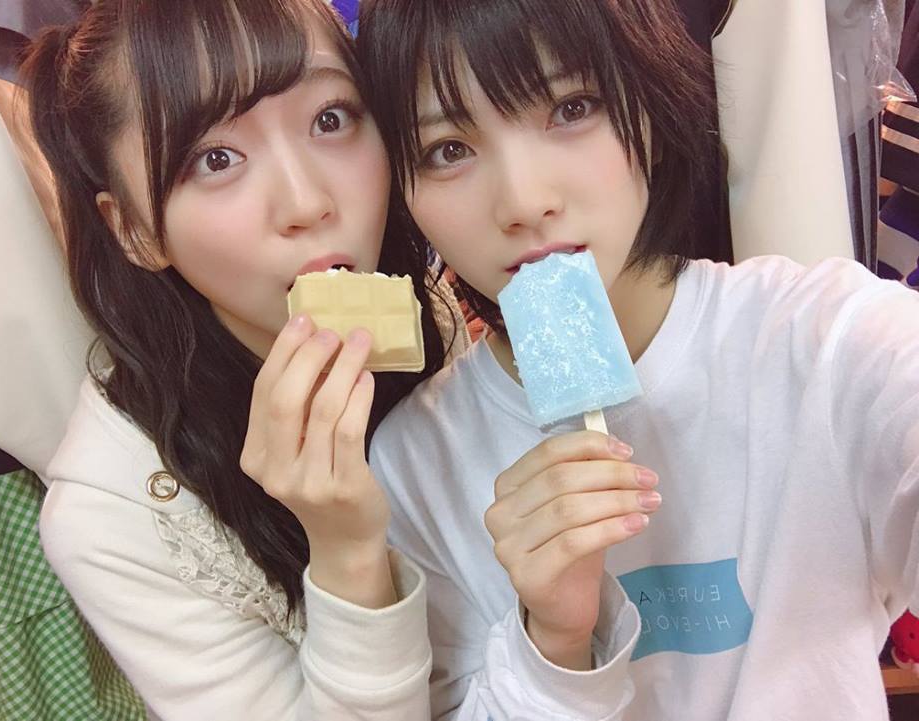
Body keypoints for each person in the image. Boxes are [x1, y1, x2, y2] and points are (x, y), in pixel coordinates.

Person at [358, 0, 919, 719]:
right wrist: (553, 641)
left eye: (571, 107)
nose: (525, 201)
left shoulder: (826, 344)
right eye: (448, 150)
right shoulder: (415, 462)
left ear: (650, 104)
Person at [21, 0, 451, 717]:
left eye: (330, 118)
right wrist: (346, 556)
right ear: (132, 229)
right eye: (216, 159)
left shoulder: (436, 318)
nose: (308, 201)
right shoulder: (110, 516)